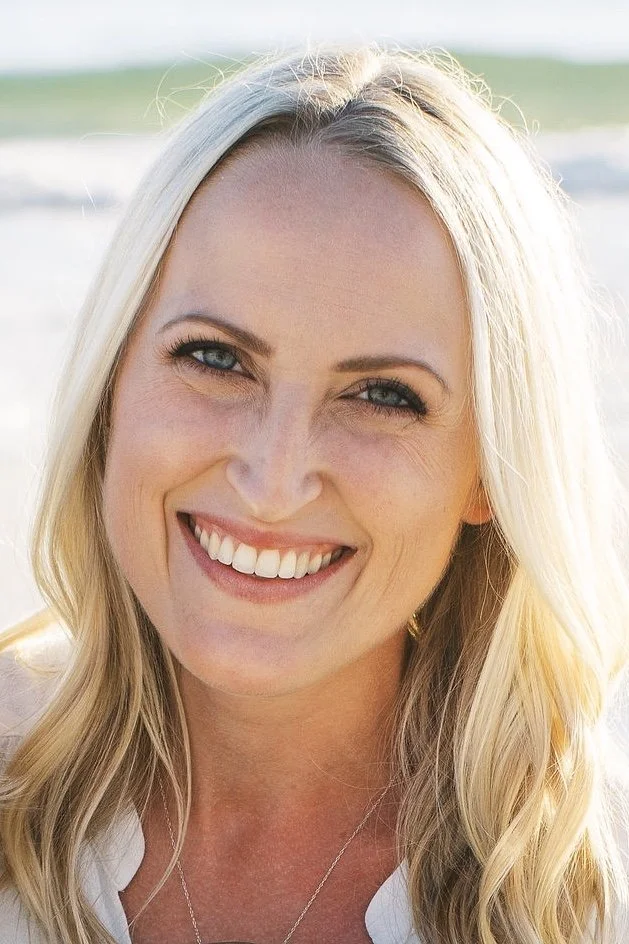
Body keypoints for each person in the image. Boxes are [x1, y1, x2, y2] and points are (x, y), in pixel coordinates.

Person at [0, 44, 628, 944]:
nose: (272, 480)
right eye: (215, 358)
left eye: (382, 395)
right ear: (112, 390)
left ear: (493, 468)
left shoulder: (592, 886)